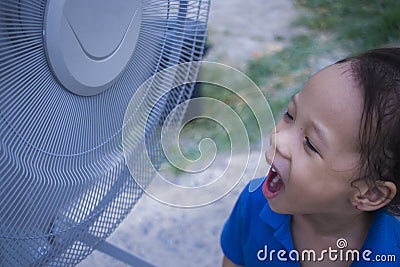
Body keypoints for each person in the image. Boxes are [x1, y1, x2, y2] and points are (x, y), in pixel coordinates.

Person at [220, 48, 400, 267]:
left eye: (310, 144)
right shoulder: (253, 204)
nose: (280, 140)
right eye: (290, 115)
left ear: (371, 193)